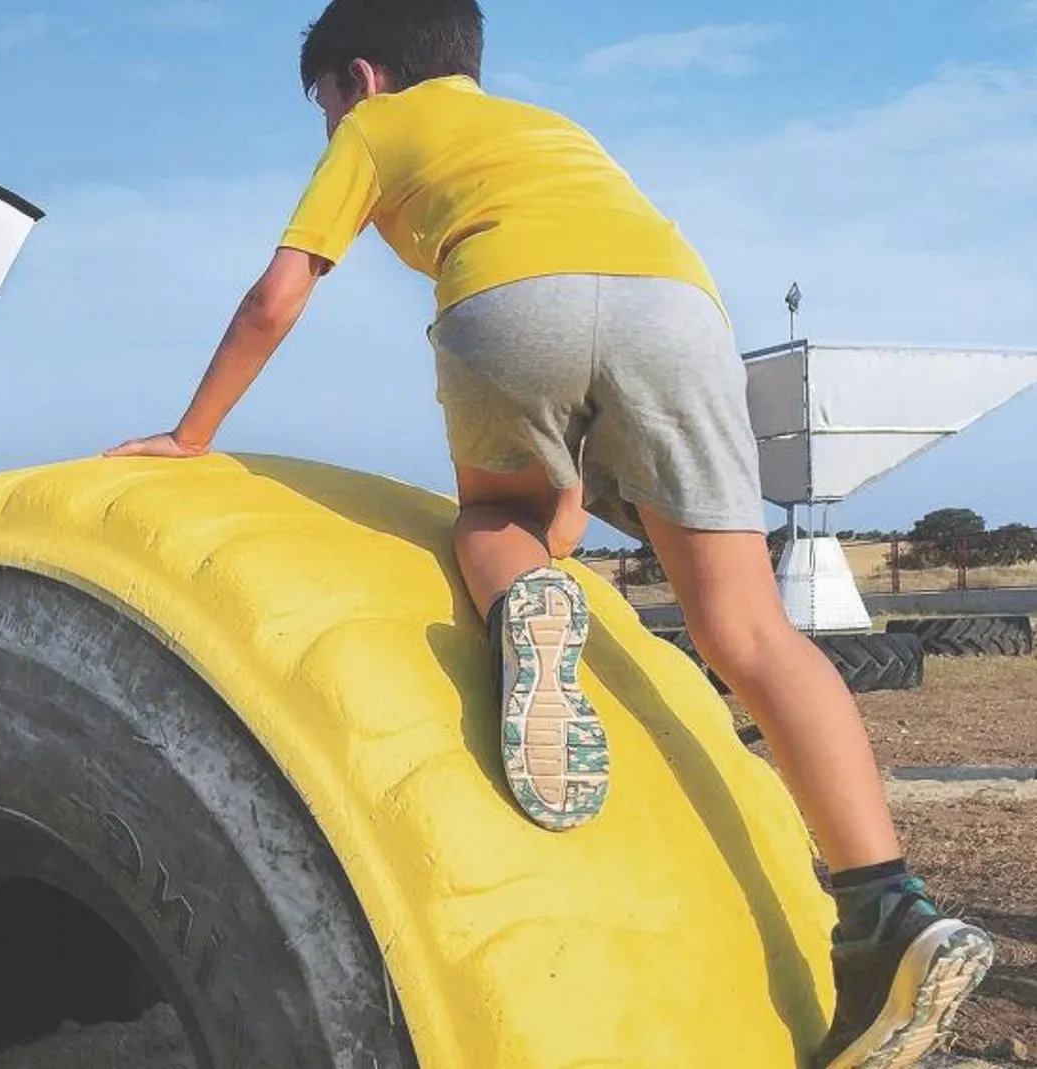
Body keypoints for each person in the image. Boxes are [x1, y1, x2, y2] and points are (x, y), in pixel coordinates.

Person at [104, 3, 993, 1065]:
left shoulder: (376, 130)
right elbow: (604, 318)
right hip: (679, 310)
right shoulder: (554, 131)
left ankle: (517, 597)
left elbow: (275, 296)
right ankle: (886, 904)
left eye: (327, 108)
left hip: (509, 298)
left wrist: (190, 434)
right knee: (748, 629)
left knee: (498, 517)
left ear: (361, 77)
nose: (330, 127)